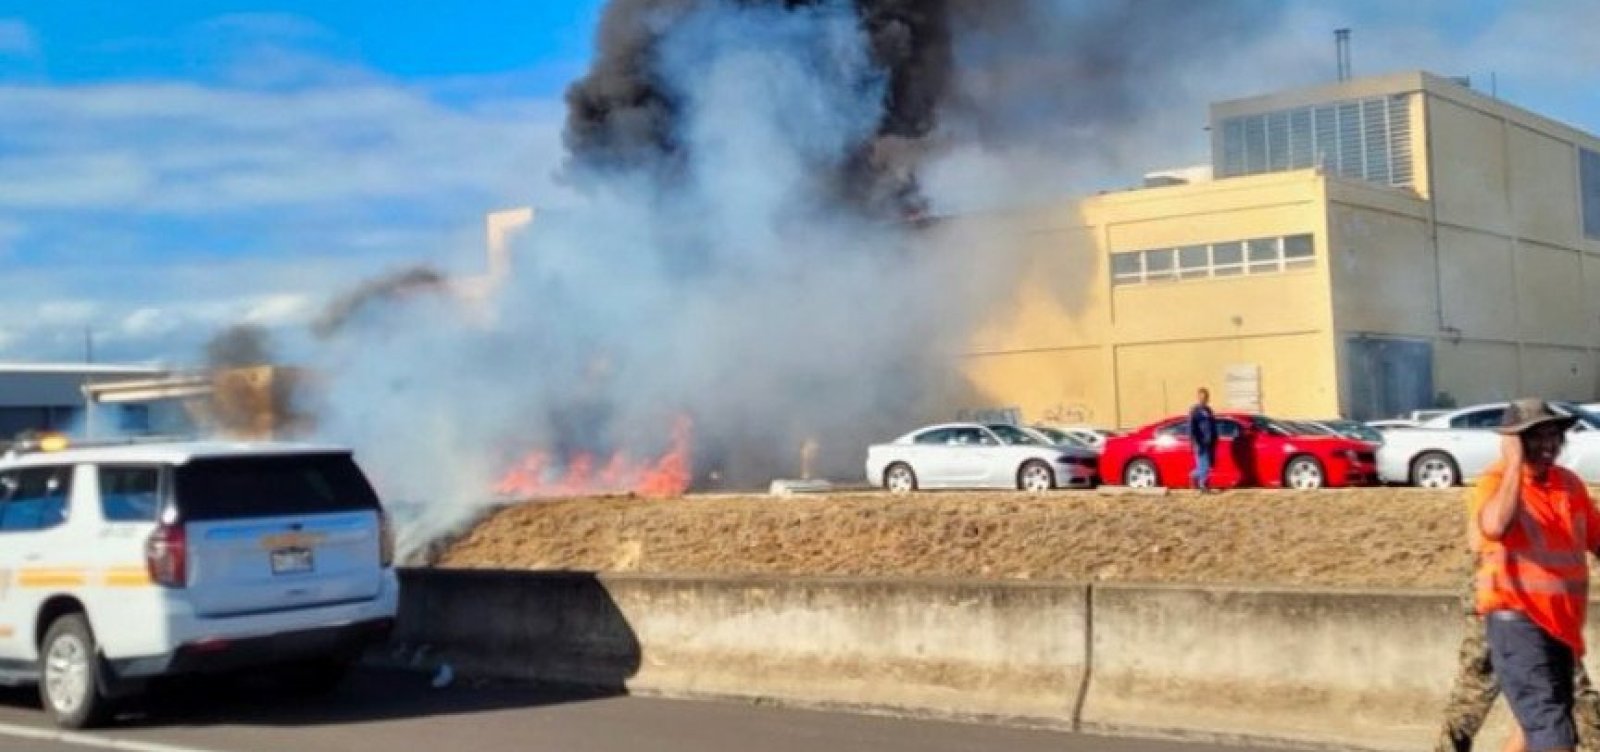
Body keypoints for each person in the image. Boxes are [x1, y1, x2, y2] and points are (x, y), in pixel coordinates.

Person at [1472, 399, 1600, 752]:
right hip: (1518, 622)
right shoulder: (1496, 482)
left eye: (1554, 435)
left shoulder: (1569, 485)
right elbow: (1495, 525)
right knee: (1551, 728)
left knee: (1535, 728)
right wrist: (1513, 463)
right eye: (1535, 437)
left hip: (1561, 626)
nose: (1549, 445)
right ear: (1514, 441)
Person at [1188, 387, 1217, 491]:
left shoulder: (1208, 410)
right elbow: (1192, 428)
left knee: (1206, 465)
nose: (1204, 399)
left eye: (1205, 397)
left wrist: (1215, 438)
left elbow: (1212, 425)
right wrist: (1194, 442)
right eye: (1202, 397)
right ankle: (1202, 485)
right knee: (1204, 465)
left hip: (1209, 442)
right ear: (1198, 397)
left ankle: (1193, 476)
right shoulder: (1195, 411)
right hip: (1200, 442)